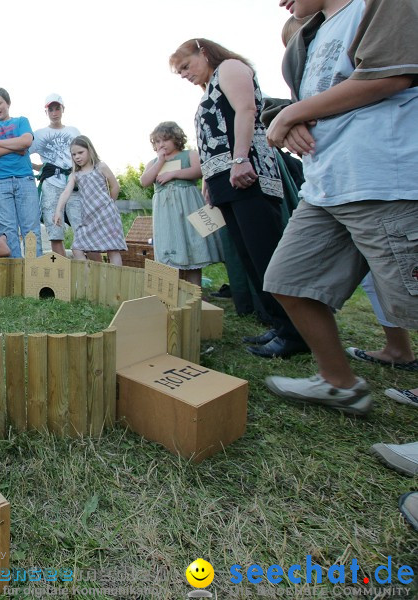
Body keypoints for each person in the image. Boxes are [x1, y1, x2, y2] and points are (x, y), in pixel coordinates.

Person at [261, 0, 418, 415]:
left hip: (380, 177)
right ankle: (340, 383)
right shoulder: (309, 33)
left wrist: (294, 112)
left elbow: (392, 75)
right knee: (288, 280)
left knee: (411, 298)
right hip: (325, 185)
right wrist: (289, 116)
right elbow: (318, 96)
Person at [170, 37, 307, 360]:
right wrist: (209, 180)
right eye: (180, 73)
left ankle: (296, 331)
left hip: (248, 175)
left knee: (265, 252)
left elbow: (246, 110)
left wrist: (240, 159)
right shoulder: (208, 89)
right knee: (249, 256)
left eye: (186, 66)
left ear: (203, 51)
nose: (185, 75)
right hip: (224, 181)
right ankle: (278, 324)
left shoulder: (230, 68)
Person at [140, 121, 222, 286]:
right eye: (157, 142)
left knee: (192, 241)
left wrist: (173, 174)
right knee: (170, 242)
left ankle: (195, 290)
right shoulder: (153, 163)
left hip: (188, 205)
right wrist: (160, 162)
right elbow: (144, 181)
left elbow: (199, 171)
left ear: (176, 139)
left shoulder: (189, 155)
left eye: (165, 140)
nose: (161, 145)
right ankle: (173, 290)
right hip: (165, 212)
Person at [0, 87, 41, 258]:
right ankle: (15, 276)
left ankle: (34, 276)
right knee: (7, 231)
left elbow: (26, 141)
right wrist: (16, 148)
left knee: (31, 230)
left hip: (25, 179)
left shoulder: (21, 121)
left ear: (8, 103)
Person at [53, 136, 126, 264]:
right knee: (77, 248)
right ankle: (88, 280)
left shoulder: (100, 167)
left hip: (107, 216)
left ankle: (115, 283)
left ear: (90, 150)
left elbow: (115, 186)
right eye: (74, 154)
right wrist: (58, 210)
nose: (77, 157)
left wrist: (110, 204)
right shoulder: (75, 175)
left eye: (80, 152)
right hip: (89, 218)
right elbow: (66, 193)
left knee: (113, 249)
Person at [29, 93, 81, 258]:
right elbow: (23, 155)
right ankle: (63, 272)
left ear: (62, 109)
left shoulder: (73, 131)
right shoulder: (38, 134)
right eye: (50, 109)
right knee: (55, 231)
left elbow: (84, 154)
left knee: (81, 227)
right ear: (46, 112)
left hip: (73, 183)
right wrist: (42, 168)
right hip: (51, 185)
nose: (54, 112)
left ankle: (86, 270)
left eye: (57, 108)